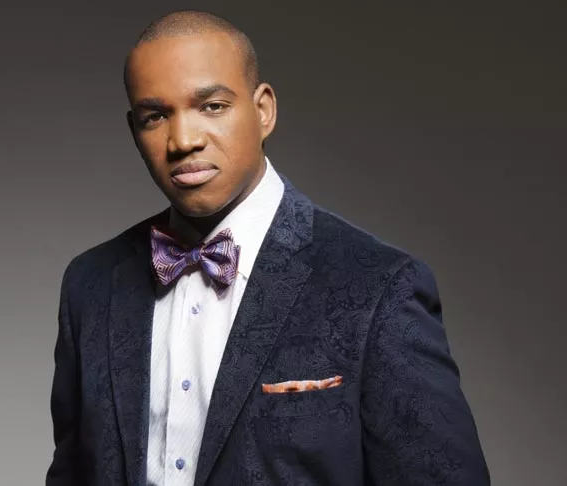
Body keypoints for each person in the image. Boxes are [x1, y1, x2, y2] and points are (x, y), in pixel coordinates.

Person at [46, 9, 490, 486]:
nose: (184, 140)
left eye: (212, 106)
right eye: (156, 116)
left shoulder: (378, 288)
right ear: (135, 132)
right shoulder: (91, 286)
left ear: (263, 111)